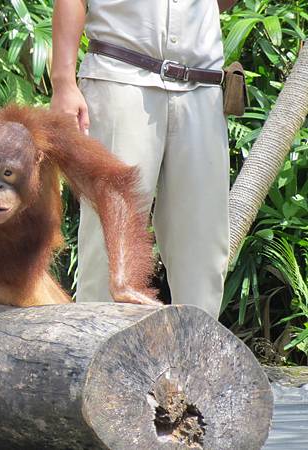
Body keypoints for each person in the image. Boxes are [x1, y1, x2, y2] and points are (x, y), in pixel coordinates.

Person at [51, 0, 238, 319]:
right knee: (110, 240)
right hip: (122, 76)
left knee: (204, 247)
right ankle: (93, 357)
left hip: (201, 88)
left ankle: (196, 359)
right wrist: (63, 82)